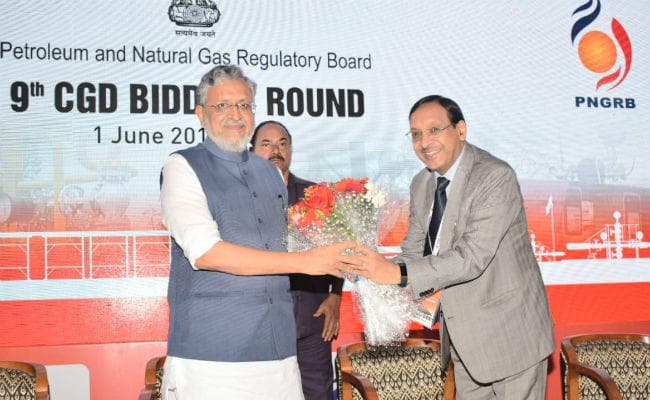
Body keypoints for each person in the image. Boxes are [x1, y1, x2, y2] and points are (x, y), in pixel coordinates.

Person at [159, 65, 352, 400]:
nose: (235, 114)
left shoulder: (271, 173)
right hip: (212, 355)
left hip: (279, 350)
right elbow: (205, 252)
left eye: (244, 105)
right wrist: (306, 261)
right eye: (223, 106)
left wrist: (344, 251)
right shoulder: (181, 166)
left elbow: (285, 245)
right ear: (201, 114)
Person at [347, 95, 555, 399]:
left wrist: (396, 274)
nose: (424, 142)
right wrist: (369, 268)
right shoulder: (421, 183)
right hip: (463, 339)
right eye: (415, 134)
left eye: (434, 130)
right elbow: (415, 250)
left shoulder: (494, 176)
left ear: (461, 130)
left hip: (511, 336)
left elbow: (472, 257)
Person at [250, 120, 344, 400]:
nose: (276, 150)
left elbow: (339, 249)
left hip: (311, 321)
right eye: (266, 144)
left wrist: (335, 296)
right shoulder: (240, 199)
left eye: (283, 144)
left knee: (318, 393)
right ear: (251, 151)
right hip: (259, 324)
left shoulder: (314, 196)